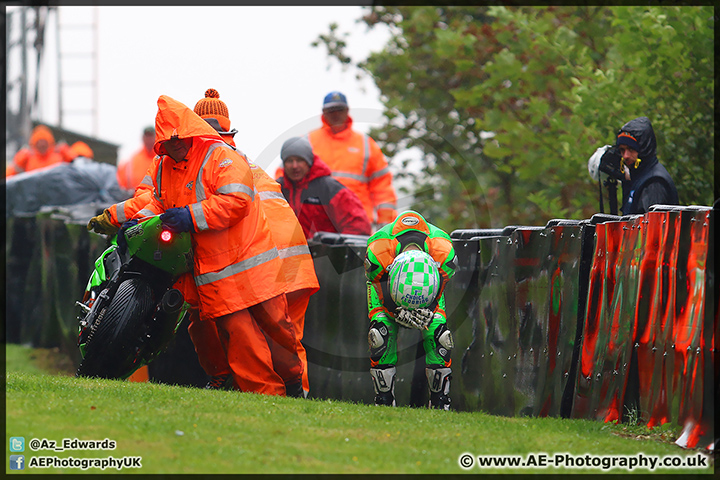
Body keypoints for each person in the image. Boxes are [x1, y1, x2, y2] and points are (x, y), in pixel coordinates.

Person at [99, 94, 305, 397]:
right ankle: (267, 397)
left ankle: (292, 385)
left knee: (278, 333)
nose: (177, 145)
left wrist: (189, 216)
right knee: (241, 338)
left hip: (254, 265)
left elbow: (236, 202)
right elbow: (156, 201)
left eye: (181, 139)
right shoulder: (165, 166)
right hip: (218, 271)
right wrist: (136, 225)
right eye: (169, 142)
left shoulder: (222, 158)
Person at [190, 88, 320, 395]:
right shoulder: (245, 163)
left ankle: (256, 391)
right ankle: (295, 395)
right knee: (284, 337)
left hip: (260, 267)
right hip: (293, 266)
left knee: (235, 329)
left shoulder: (209, 168)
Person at [364, 210, 457, 410]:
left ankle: (441, 403)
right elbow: (376, 283)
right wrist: (393, 309)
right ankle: (384, 401)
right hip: (384, 287)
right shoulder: (378, 251)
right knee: (380, 335)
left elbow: (442, 285)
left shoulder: (444, 251)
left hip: (431, 293)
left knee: (440, 336)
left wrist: (430, 309)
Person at [307, 91, 398, 227]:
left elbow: (383, 188)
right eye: (331, 110)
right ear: (323, 112)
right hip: (316, 224)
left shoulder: (366, 144)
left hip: (357, 223)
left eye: (340, 109)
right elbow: (285, 179)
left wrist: (386, 224)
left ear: (347, 111)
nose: (336, 114)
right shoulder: (308, 142)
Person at [277, 136, 372, 239]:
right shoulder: (276, 191)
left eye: (300, 160)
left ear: (309, 162)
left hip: (323, 254)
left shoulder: (329, 189)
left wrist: (335, 248)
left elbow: (358, 226)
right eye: (289, 161)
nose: (294, 166)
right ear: (284, 164)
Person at [615, 116, 679, 215]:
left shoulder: (654, 183)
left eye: (631, 149)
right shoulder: (639, 178)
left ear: (644, 149)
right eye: (622, 150)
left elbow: (653, 227)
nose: (625, 156)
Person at [116, 126, 157, 194]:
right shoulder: (132, 160)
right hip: (136, 200)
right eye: (147, 136)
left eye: (151, 136)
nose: (149, 139)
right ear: (143, 138)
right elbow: (120, 184)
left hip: (157, 201)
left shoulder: (162, 158)